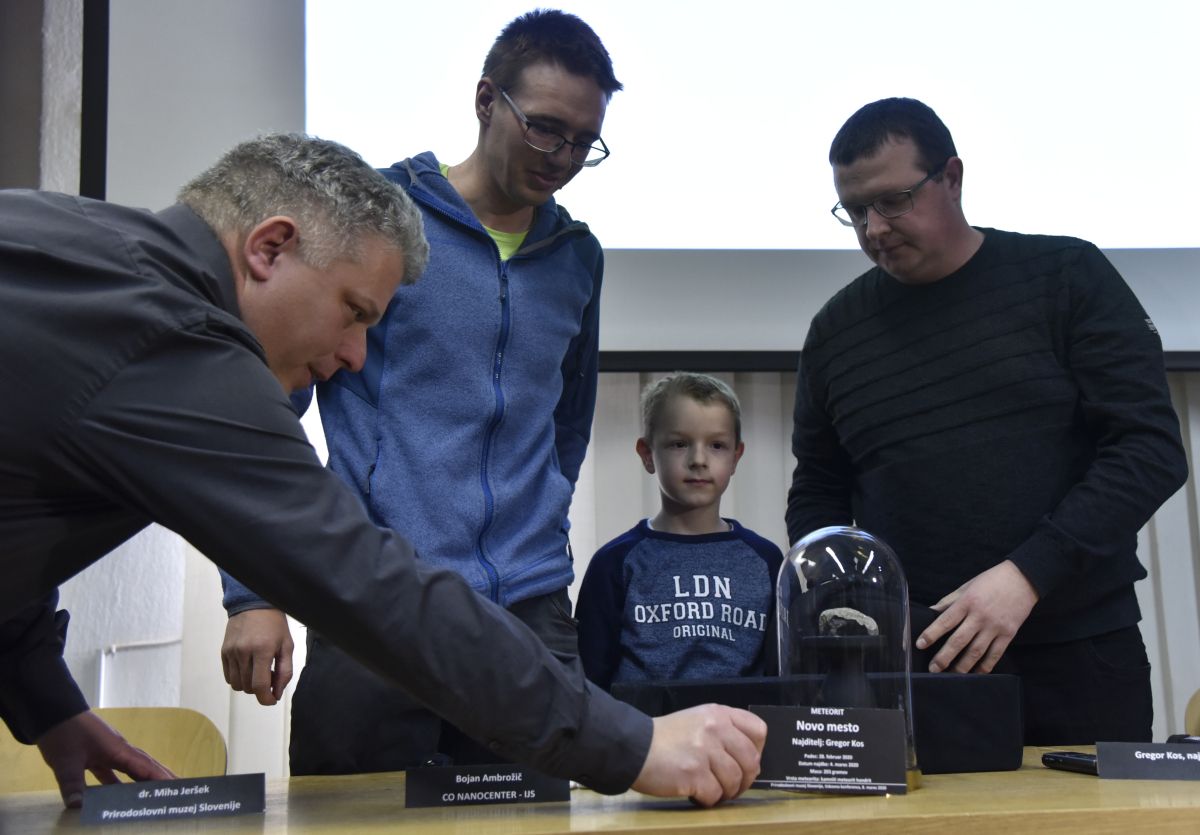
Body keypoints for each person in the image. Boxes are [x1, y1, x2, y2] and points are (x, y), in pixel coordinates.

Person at [0, 133, 766, 810]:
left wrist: (46, 701)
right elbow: (356, 574)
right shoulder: (175, 342)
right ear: (270, 248)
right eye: (355, 311)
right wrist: (634, 745)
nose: (355, 354)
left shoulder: (72, 243)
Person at [218, 10, 628, 774]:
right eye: (545, 128)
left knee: (532, 824)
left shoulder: (578, 257)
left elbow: (566, 426)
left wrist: (535, 520)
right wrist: (254, 593)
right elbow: (265, 405)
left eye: (584, 141)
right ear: (486, 100)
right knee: (353, 822)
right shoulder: (377, 221)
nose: (563, 157)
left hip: (529, 611)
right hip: (377, 596)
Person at [785, 96, 1188, 745]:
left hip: (1079, 651)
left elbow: (1150, 450)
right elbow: (818, 493)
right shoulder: (835, 332)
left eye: (892, 201)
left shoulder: (1067, 276)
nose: (874, 228)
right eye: (854, 211)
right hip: (922, 664)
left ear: (951, 177)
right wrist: (850, 609)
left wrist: (1027, 575)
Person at [576, 373, 784, 690]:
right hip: (645, 723)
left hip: (744, 723)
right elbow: (589, 682)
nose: (698, 460)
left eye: (717, 445)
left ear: (736, 457)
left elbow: (783, 676)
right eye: (679, 444)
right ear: (647, 454)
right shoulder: (614, 562)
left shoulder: (767, 560)